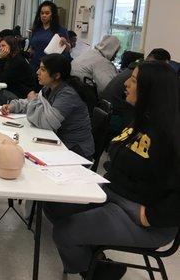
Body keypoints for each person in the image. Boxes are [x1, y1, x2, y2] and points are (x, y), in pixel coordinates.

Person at [45, 61, 180, 280]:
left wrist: (152, 217)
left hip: (145, 219)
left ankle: (94, 272)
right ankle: (97, 263)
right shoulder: (138, 121)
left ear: (152, 90)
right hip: (113, 195)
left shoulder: (171, 135)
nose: (126, 83)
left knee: (64, 233)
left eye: (134, 80)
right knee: (53, 204)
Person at [1, 53, 94, 158]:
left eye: (43, 70)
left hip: (74, 150)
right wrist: (13, 106)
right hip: (56, 140)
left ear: (57, 75)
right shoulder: (49, 87)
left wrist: (32, 101)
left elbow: (47, 122)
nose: (37, 72)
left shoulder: (67, 94)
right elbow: (36, 103)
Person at [101, 48, 171, 135]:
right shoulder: (141, 75)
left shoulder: (133, 68)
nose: (126, 83)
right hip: (114, 116)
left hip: (106, 111)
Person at [0, 36, 35, 105]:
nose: (1, 48)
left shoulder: (18, 60)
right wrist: (0, 59)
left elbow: (0, 78)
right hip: (12, 90)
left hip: (22, 96)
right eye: (0, 46)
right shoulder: (8, 57)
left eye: (3, 46)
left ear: (11, 46)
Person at [28, 1, 71, 72]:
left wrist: (65, 43)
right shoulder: (36, 29)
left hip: (51, 67)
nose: (44, 15)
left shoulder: (60, 30)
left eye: (47, 13)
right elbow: (32, 48)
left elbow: (68, 49)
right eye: (42, 13)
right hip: (35, 65)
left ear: (52, 15)